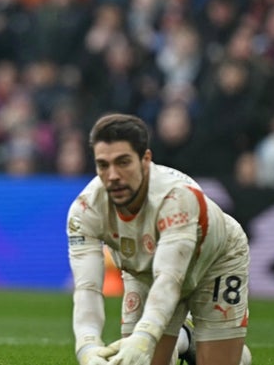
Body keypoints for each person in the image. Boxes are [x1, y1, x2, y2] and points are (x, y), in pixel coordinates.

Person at [67, 114, 252, 365]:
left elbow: (170, 279)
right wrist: (87, 348)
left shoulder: (176, 198)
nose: (112, 175)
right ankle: (185, 339)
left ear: (145, 160)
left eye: (123, 162)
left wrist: (144, 337)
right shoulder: (85, 209)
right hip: (145, 271)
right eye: (103, 165)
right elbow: (87, 288)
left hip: (217, 259)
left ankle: (204, 344)